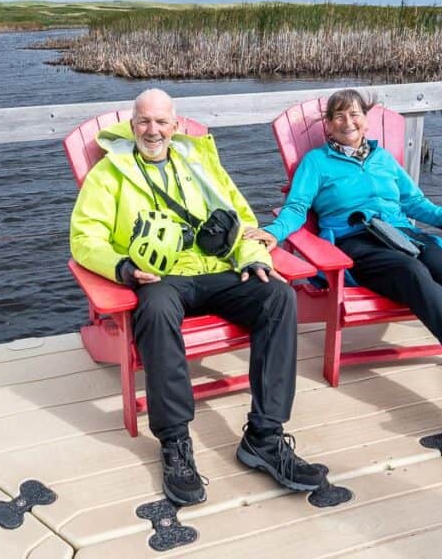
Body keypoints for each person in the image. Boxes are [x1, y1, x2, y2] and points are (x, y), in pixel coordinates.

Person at [69, 88, 324, 506]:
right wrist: (123, 269)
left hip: (218, 270)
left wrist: (252, 256)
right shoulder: (109, 174)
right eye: (145, 122)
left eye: (162, 122)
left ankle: (264, 436)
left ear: (176, 124)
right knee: (154, 312)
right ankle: (175, 444)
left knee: (278, 296)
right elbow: (85, 237)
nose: (153, 131)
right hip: (159, 278)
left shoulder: (198, 163)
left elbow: (239, 218)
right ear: (132, 126)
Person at [244, 89, 442, 441]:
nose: (347, 121)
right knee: (413, 273)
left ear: (365, 119)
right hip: (356, 240)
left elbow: (416, 203)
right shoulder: (315, 163)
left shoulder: (383, 158)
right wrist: (274, 232)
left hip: (402, 234)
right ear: (327, 126)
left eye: (354, 114)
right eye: (338, 116)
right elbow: (296, 208)